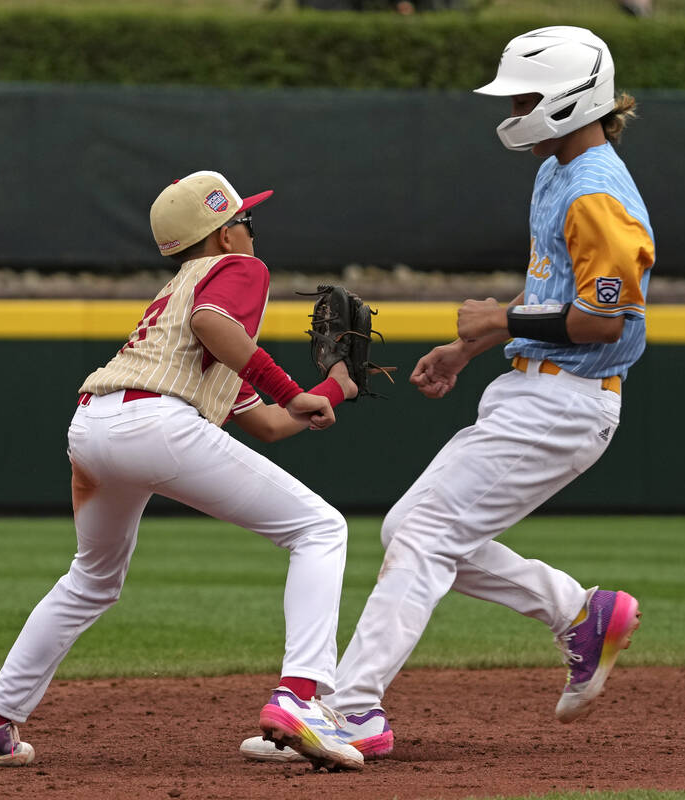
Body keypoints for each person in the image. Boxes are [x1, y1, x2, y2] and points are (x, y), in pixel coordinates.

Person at [241, 25, 651, 763]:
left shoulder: (597, 192)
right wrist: (473, 345)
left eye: (528, 95)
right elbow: (559, 297)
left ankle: (349, 710)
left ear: (569, 99)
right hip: (537, 390)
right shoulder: (559, 168)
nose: (516, 108)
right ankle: (579, 614)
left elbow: (606, 317)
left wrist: (499, 318)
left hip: (569, 401)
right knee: (411, 531)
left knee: (424, 535)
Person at [0, 170, 366, 771]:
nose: (251, 230)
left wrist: (332, 389)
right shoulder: (240, 273)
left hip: (94, 426)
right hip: (154, 424)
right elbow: (215, 328)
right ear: (223, 236)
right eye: (244, 220)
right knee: (320, 529)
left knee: (91, 580)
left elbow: (269, 423)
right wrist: (294, 387)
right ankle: (300, 697)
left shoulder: (176, 297)